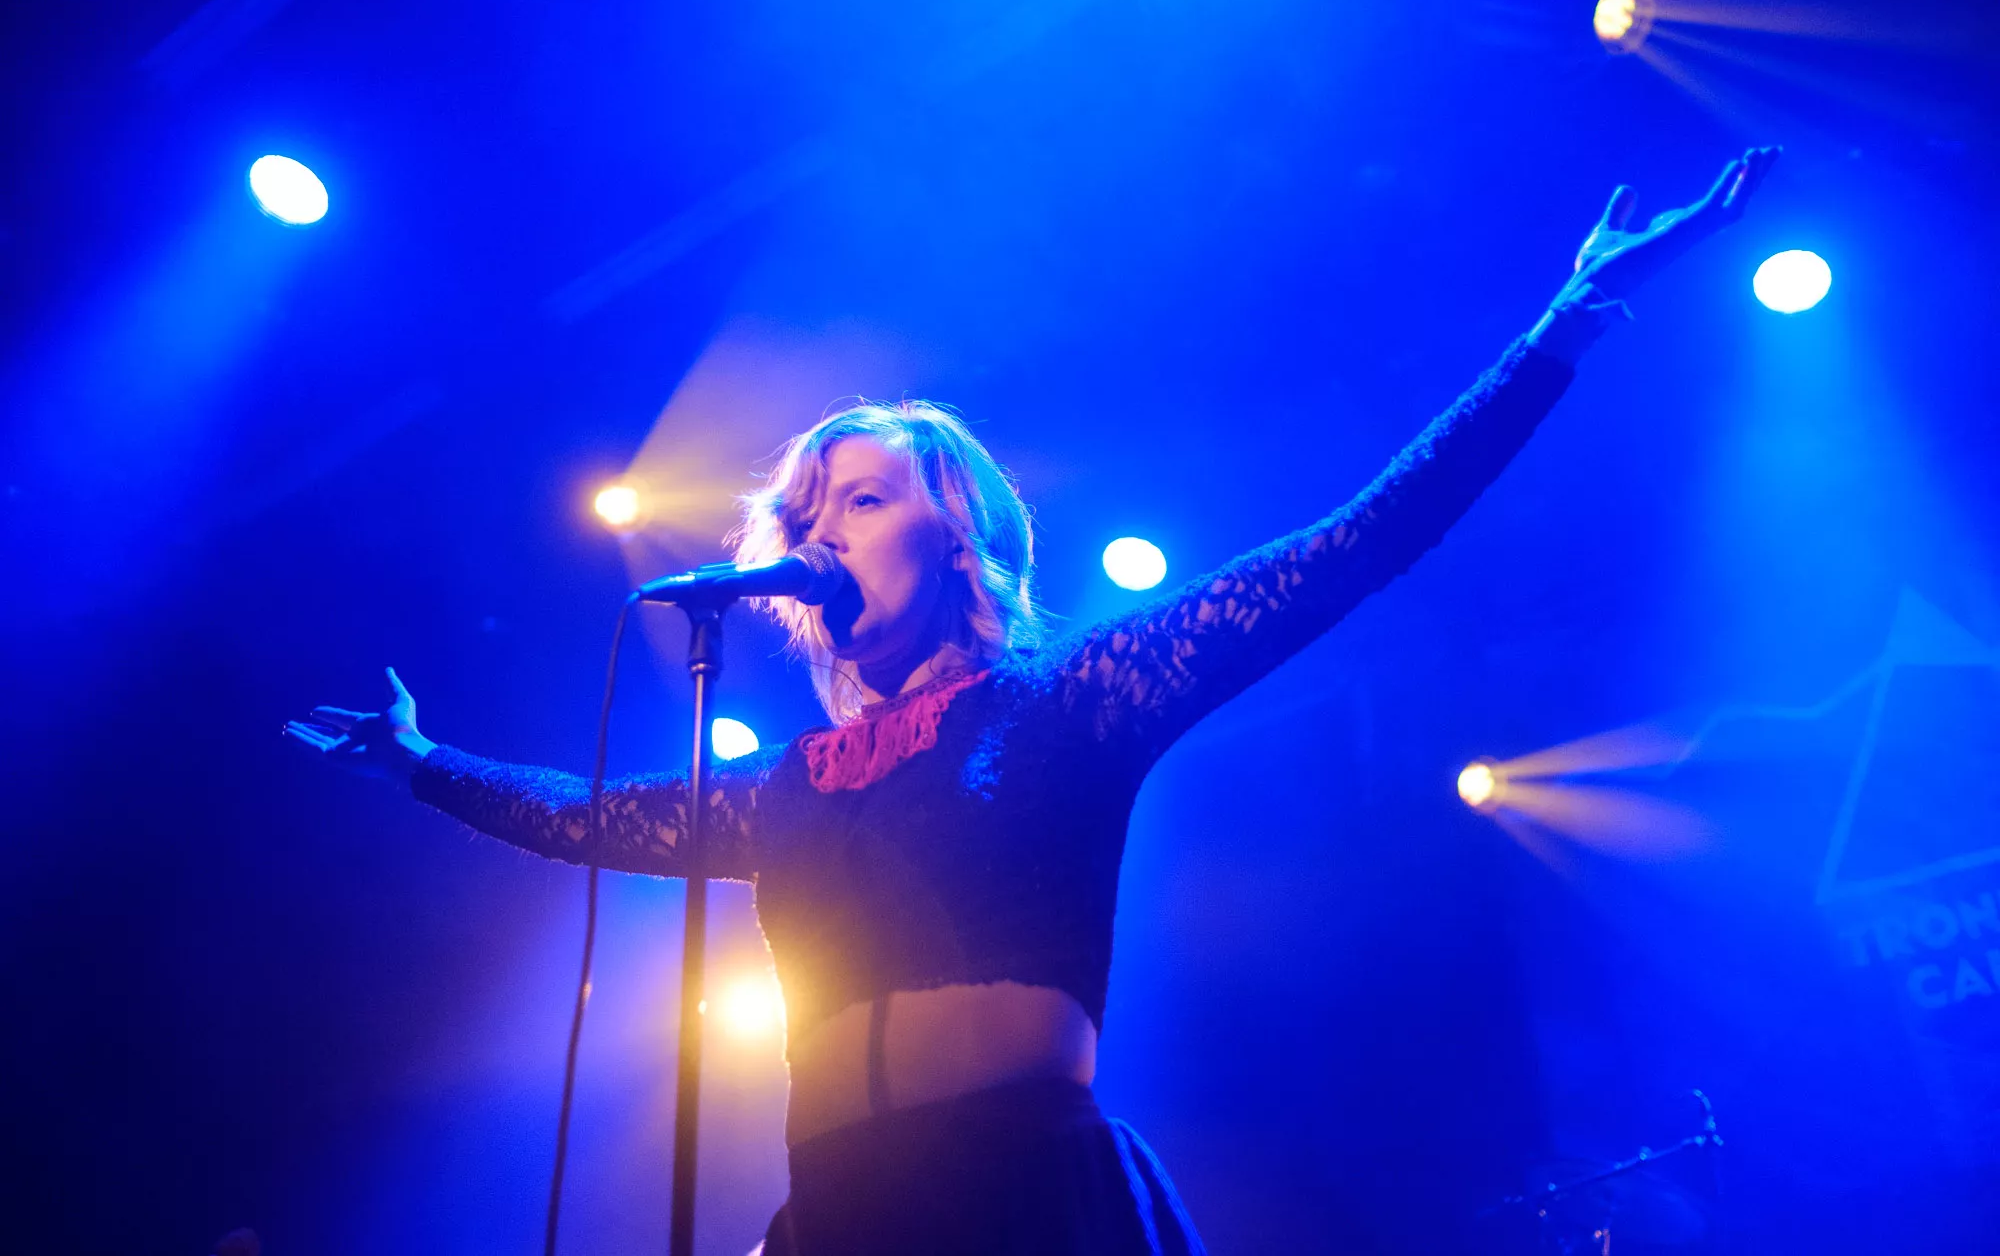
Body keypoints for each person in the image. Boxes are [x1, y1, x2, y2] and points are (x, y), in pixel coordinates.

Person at [284, 149, 1779, 1255]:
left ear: (962, 539)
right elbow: (594, 817)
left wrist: (1556, 337)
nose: (822, 529)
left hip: (1024, 1192)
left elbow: (1351, 547)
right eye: (807, 509)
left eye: (864, 497)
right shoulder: (789, 786)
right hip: (836, 1213)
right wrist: (423, 764)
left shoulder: (1069, 703)